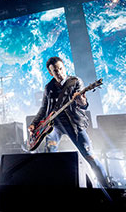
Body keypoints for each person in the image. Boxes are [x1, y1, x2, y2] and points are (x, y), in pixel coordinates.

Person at [28, 56, 111, 188]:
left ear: (64, 67)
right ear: (51, 72)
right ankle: (53, 186)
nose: (59, 72)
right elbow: (44, 108)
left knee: (89, 155)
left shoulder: (75, 82)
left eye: (61, 69)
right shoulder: (48, 87)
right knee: (50, 155)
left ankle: (108, 186)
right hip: (54, 126)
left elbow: (84, 105)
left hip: (74, 125)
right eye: (55, 71)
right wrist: (34, 123)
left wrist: (81, 101)